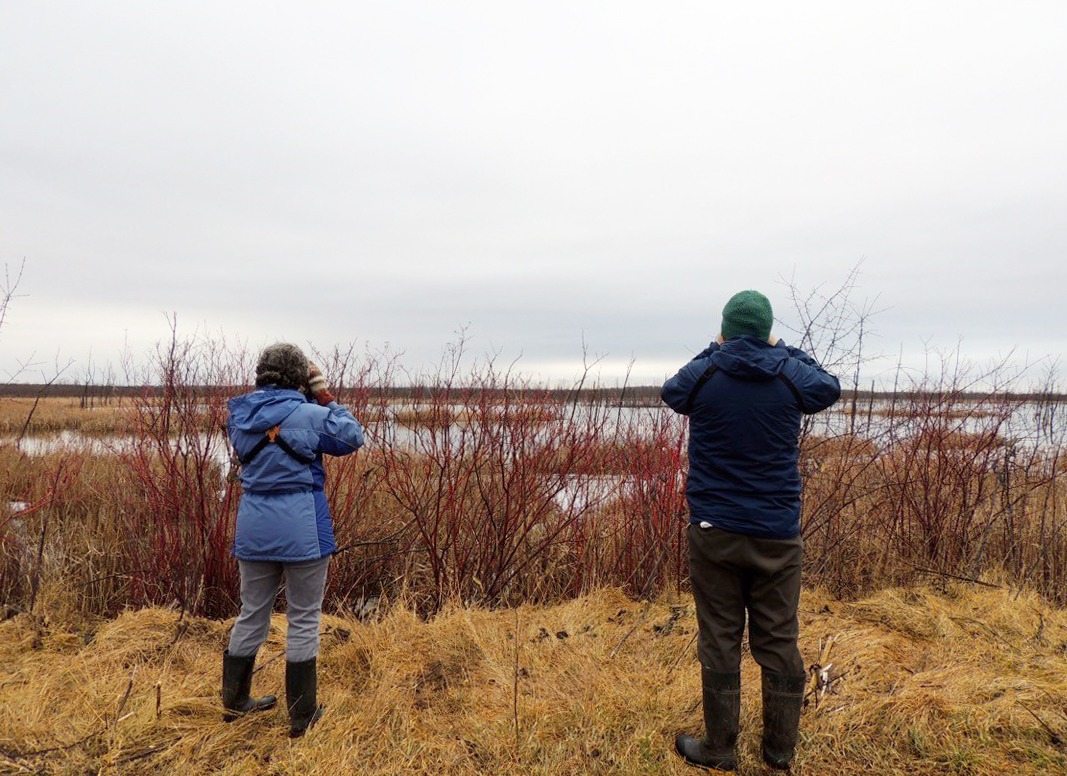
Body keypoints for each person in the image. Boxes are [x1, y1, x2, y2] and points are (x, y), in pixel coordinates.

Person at [661, 290, 840, 771]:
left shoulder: (709, 374)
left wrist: (715, 349)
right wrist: (781, 348)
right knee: (778, 640)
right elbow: (827, 386)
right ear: (766, 331)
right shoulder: (788, 374)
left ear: (723, 331)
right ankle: (778, 757)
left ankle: (720, 750)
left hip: (714, 529)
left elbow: (673, 389)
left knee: (719, 636)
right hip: (776, 533)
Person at [222, 342, 364, 737]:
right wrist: (323, 394)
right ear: (300, 376)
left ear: (261, 374)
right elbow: (352, 438)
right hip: (302, 528)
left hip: (253, 527)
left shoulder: (239, 415)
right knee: (303, 617)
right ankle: (302, 717)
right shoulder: (310, 414)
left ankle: (234, 703)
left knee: (252, 612)